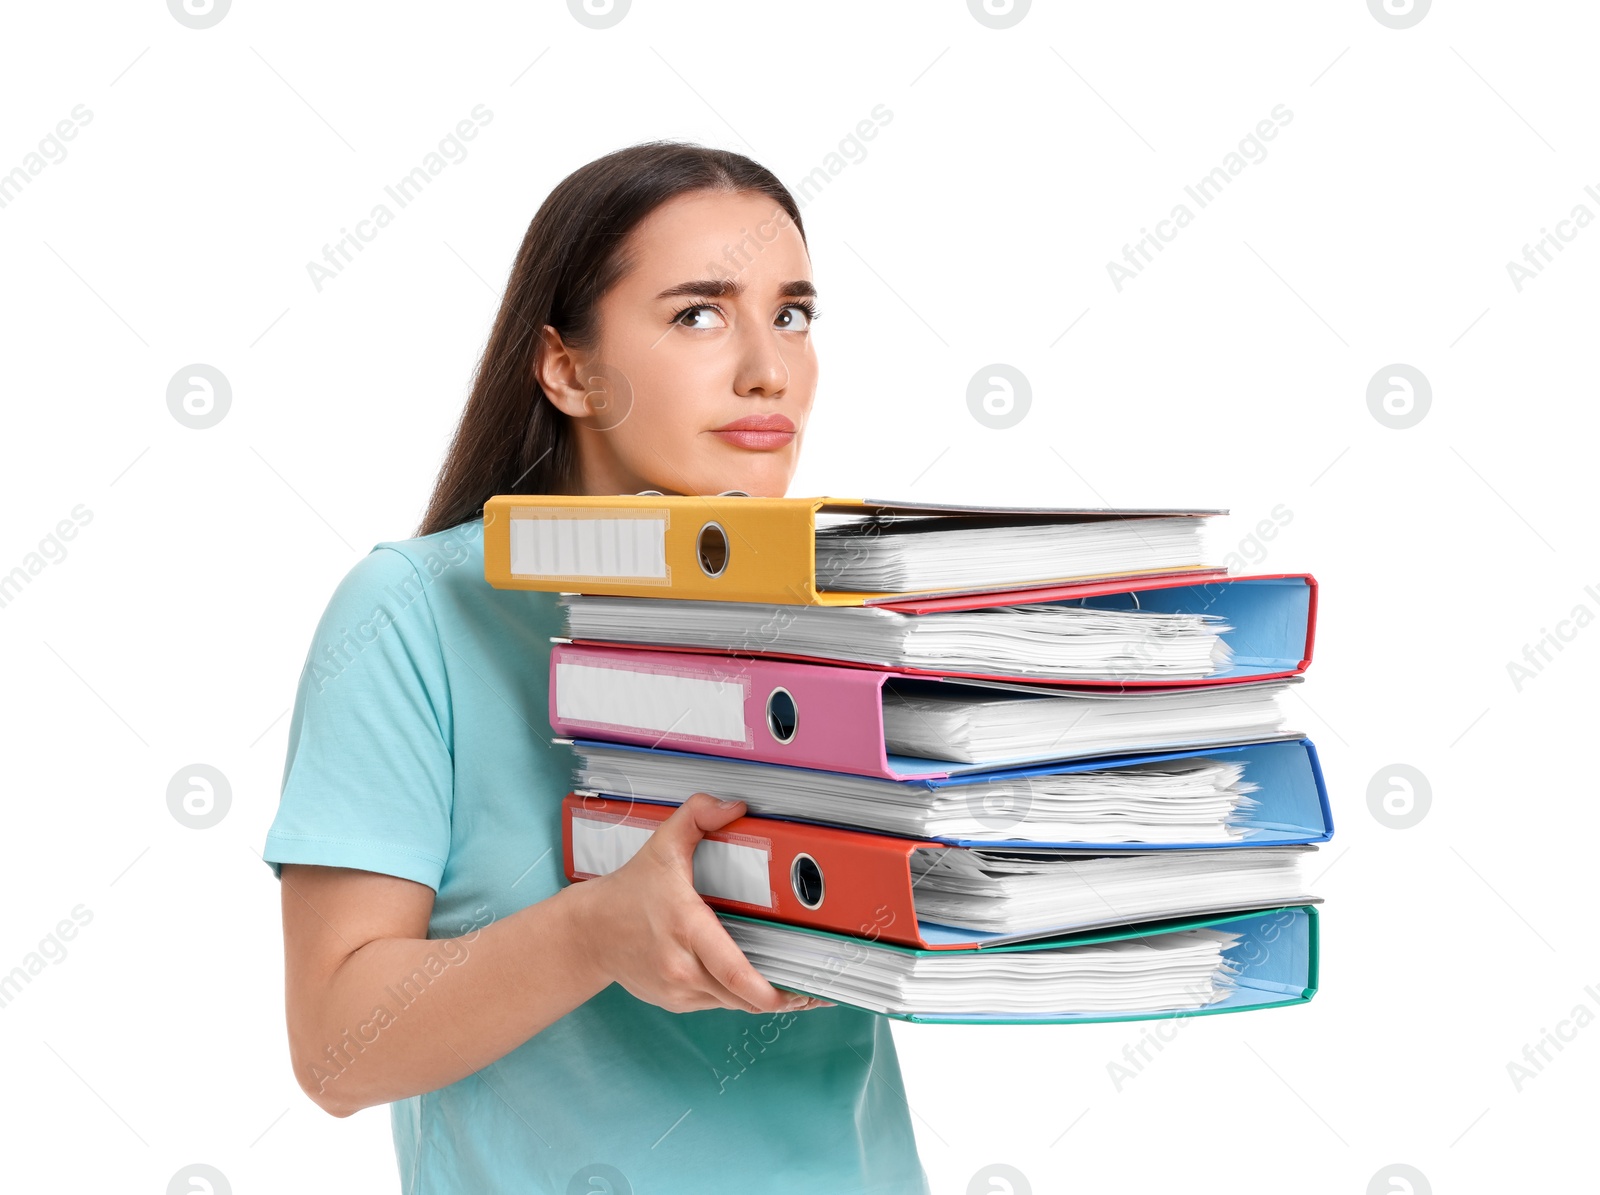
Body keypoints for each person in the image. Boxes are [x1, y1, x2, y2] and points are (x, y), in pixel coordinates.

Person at [263, 141, 932, 1194]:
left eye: (792, 313)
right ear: (568, 368)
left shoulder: (849, 610)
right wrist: (594, 934)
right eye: (697, 313)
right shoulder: (416, 613)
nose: (767, 366)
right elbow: (337, 1049)